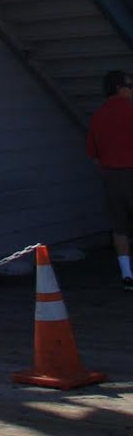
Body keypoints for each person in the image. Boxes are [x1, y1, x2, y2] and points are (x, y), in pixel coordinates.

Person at [85, 68, 133, 290]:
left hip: (111, 176)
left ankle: (126, 274)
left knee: (120, 227)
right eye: (129, 86)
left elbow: (94, 155)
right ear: (118, 87)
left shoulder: (98, 116)